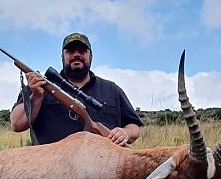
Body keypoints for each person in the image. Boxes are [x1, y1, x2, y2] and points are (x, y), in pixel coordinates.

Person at [10, 32, 143, 146]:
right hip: (51, 171)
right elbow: (16, 124)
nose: (76, 54)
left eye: (82, 51)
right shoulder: (39, 86)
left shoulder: (112, 89)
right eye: (70, 51)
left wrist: (125, 132)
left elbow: (134, 126)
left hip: (104, 171)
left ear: (91, 56)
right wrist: (36, 96)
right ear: (62, 57)